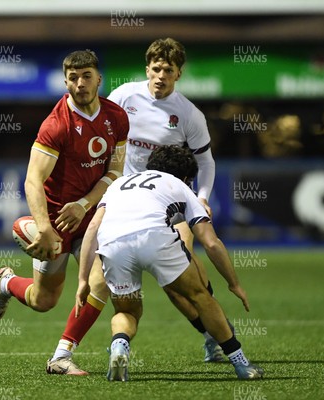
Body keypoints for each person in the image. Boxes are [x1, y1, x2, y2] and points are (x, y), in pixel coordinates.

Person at [45, 38, 231, 373]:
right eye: (156, 69)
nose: (161, 76)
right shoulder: (124, 97)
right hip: (123, 200)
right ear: (148, 69)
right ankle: (63, 352)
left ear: (179, 74)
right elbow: (99, 133)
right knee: (100, 281)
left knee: (182, 287)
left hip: (169, 206)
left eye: (168, 71)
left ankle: (211, 335)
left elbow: (207, 163)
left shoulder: (189, 115)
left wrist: (201, 196)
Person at [0, 49, 129, 375]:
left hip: (91, 214)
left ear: (99, 79)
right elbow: (33, 180)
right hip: (57, 220)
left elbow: (115, 172)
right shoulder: (56, 125)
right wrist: (45, 228)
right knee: (43, 301)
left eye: (87, 76)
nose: (80, 84)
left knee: (102, 279)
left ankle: (61, 356)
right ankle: (8, 283)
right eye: (73, 78)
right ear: (65, 81)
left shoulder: (117, 118)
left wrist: (84, 205)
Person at [75, 145, 264, 381]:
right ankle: (241, 364)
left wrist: (83, 279)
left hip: (113, 243)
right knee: (200, 296)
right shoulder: (181, 187)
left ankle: (120, 346)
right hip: (154, 237)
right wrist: (234, 283)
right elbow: (211, 242)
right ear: (186, 178)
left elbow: (93, 227)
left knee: (126, 310)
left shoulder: (119, 184)